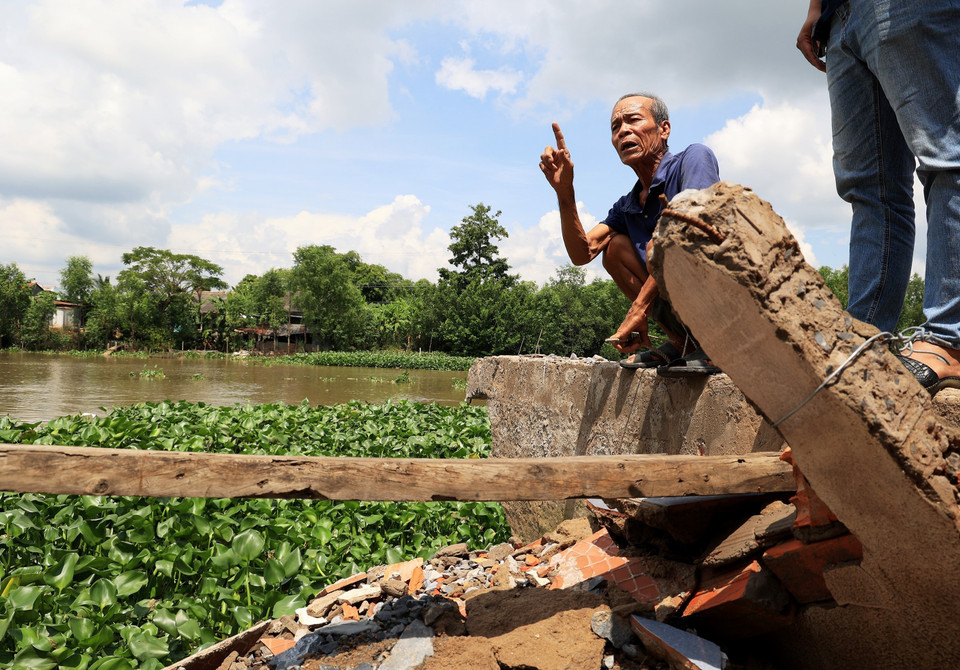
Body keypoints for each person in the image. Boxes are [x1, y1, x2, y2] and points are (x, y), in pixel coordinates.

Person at [797, 0, 960, 395]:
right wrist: (816, 9)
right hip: (838, 19)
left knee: (945, 158)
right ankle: (864, 343)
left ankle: (950, 339)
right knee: (869, 190)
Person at [539, 93, 721, 374]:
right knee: (614, 250)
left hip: (723, 300)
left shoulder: (694, 158)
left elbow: (690, 233)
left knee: (658, 245)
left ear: (663, 129)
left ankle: (718, 344)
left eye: (633, 120)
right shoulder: (628, 205)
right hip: (683, 302)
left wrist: (638, 310)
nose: (623, 131)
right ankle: (681, 342)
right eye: (616, 127)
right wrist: (565, 192)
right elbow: (582, 253)